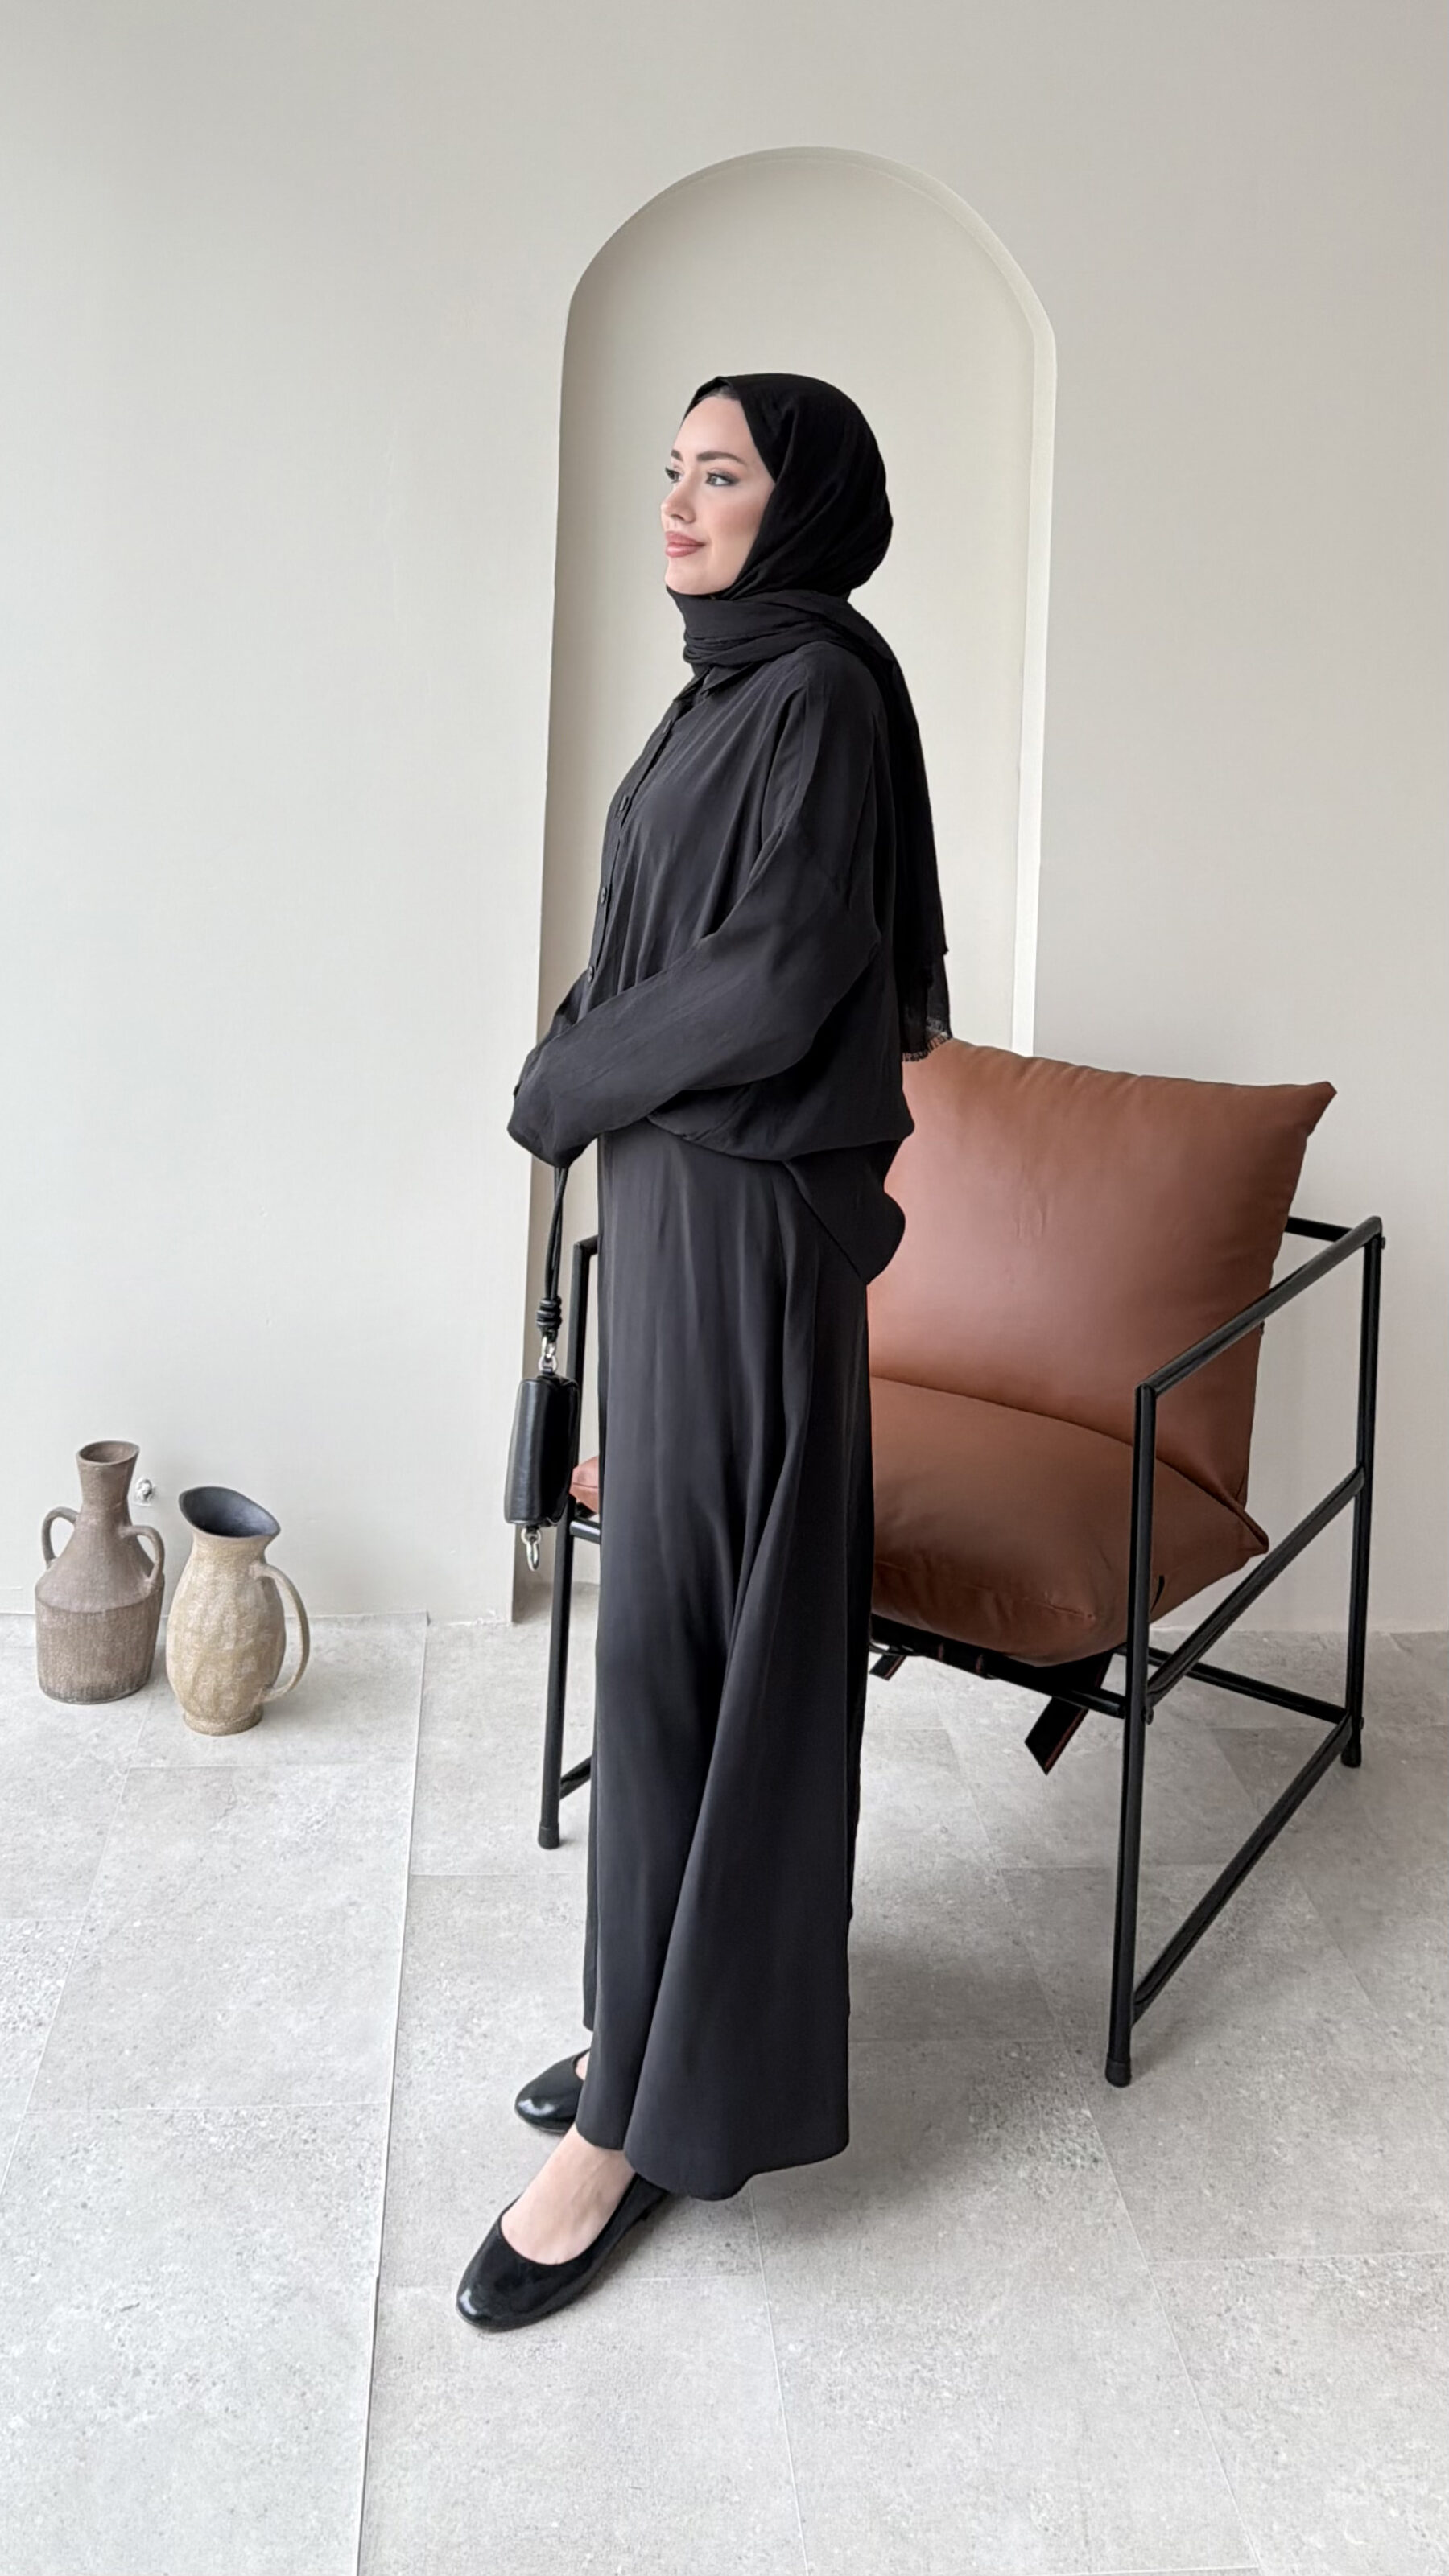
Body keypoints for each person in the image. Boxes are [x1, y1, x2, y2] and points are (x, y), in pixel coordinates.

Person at [456, 371, 952, 2331]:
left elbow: (779, 973)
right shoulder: (722, 687)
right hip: (673, 1207)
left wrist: (572, 1079)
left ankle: (637, 2127)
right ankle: (648, 2037)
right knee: (660, 1638)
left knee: (698, 1651)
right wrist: (578, 1060)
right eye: (671, 469)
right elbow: (662, 933)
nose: (679, 501)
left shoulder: (820, 690)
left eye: (719, 474)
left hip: (742, 1227)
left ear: (799, 502)